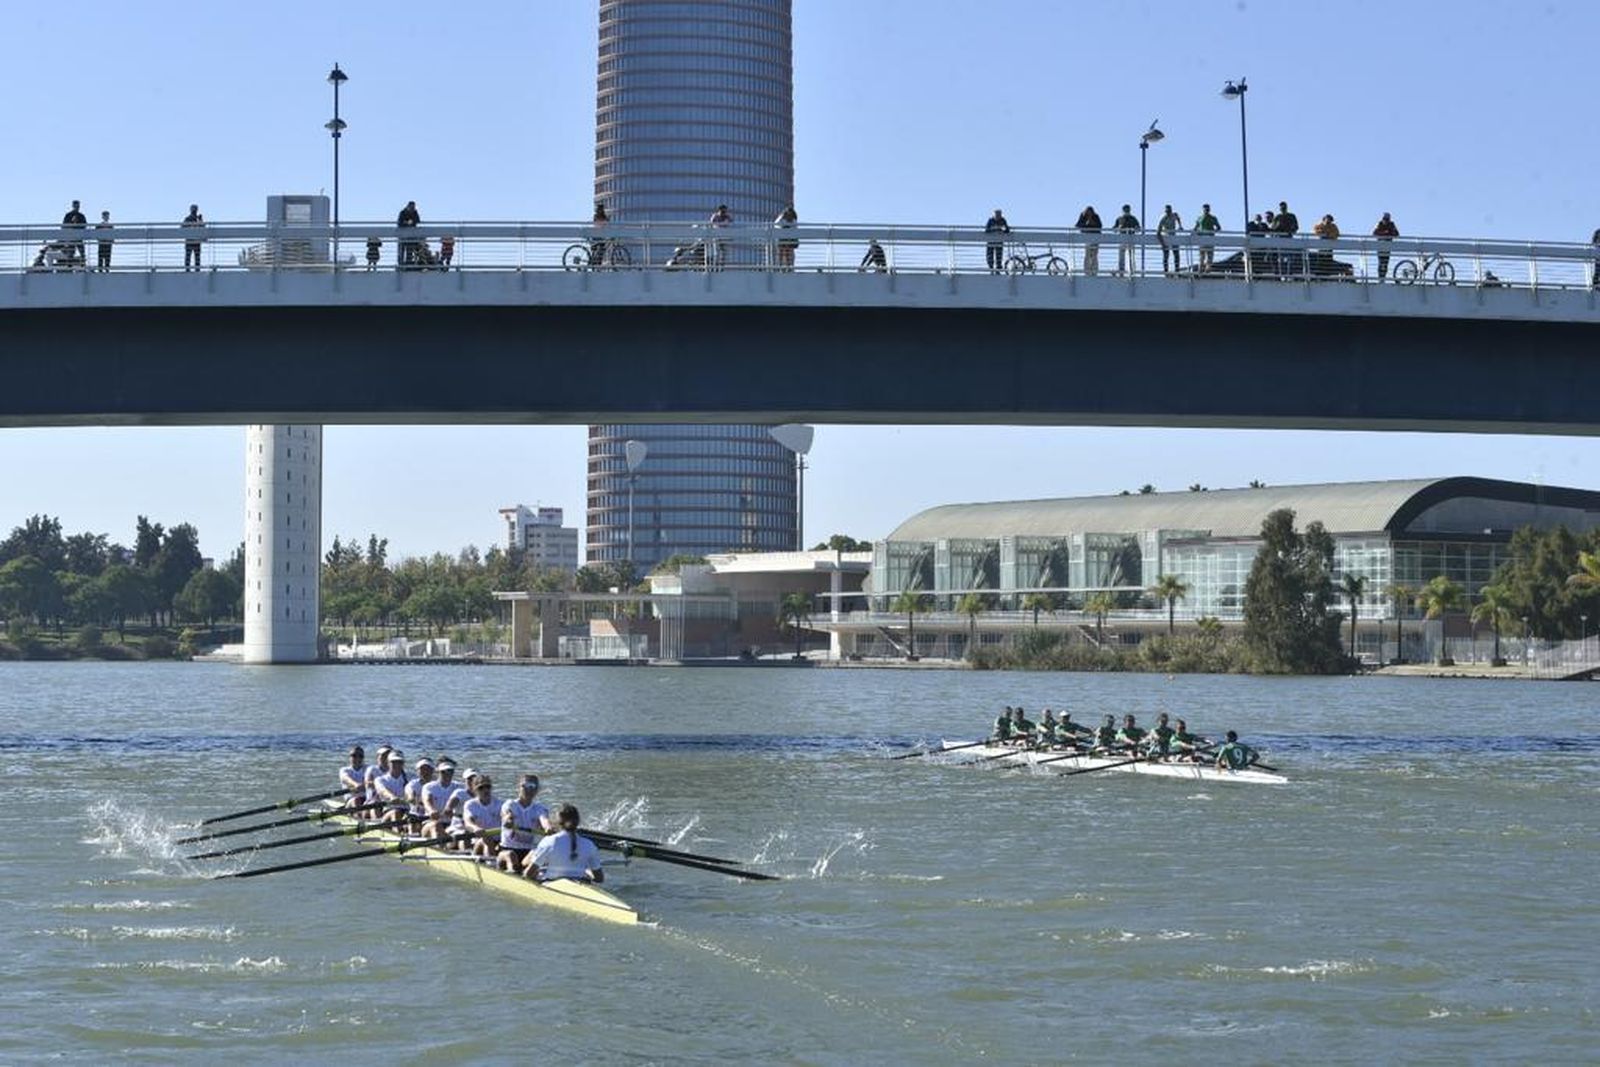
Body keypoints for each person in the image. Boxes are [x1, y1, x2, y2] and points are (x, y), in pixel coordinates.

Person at [526, 803, 605, 883]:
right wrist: (587, 872)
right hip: (579, 884)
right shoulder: (589, 844)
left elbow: (528, 874)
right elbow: (599, 879)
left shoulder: (549, 841)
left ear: (557, 822)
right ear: (577, 822)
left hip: (552, 885)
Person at [498, 774, 554, 874]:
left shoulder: (539, 808)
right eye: (525, 785)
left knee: (536, 854)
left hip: (528, 851)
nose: (529, 790)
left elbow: (544, 820)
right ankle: (513, 874)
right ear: (519, 788)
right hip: (507, 849)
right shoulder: (509, 804)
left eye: (532, 786)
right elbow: (506, 815)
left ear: (536, 790)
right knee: (511, 855)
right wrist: (508, 821)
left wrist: (548, 828)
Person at [462, 775, 500, 860]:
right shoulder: (470, 804)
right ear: (474, 790)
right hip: (478, 841)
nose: (485, 790)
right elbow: (468, 822)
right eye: (481, 788)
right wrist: (475, 828)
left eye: (488, 787)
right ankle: (491, 865)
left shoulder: (500, 804)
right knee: (486, 839)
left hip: (498, 841)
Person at [371, 750, 410, 826]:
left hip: (407, 811)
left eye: (399, 762)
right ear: (388, 763)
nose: (397, 765)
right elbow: (383, 791)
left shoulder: (410, 778)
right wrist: (392, 797)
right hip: (388, 811)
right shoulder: (380, 780)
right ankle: (398, 834)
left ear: (403, 764)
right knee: (396, 812)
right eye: (394, 762)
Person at [403, 757, 436, 830]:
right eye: (422, 769)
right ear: (417, 771)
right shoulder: (412, 784)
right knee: (413, 820)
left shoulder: (437, 784)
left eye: (427, 769)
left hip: (432, 816)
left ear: (432, 770)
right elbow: (410, 796)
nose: (425, 772)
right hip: (416, 815)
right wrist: (412, 798)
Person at [1075, 205, 1103, 275]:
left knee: (1094, 255)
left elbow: (1100, 226)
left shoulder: (1096, 217)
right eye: (1088, 212)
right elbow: (1078, 225)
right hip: (1087, 238)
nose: (1089, 214)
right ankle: (1087, 271)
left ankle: (1094, 271)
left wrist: (1093, 222)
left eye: (1090, 212)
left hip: (1095, 238)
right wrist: (1086, 224)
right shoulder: (1083, 216)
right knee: (1087, 255)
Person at [1113, 205, 1140, 276]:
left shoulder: (1133, 219)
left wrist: (1135, 228)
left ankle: (1132, 270)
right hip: (1122, 239)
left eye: (1127, 209)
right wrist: (1119, 227)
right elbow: (1114, 229)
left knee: (1131, 255)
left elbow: (1138, 229)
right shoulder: (1120, 219)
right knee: (1121, 256)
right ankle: (1121, 270)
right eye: (1125, 209)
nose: (1126, 211)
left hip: (1131, 239)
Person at [1193, 204, 1220, 271]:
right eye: (1205, 209)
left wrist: (1212, 232)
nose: (1206, 210)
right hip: (1202, 238)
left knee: (1210, 255)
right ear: (1203, 210)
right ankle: (1200, 269)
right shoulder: (1199, 218)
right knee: (1202, 256)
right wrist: (1195, 234)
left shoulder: (1213, 218)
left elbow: (1218, 227)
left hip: (1210, 238)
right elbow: (1195, 228)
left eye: (1207, 209)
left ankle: (1208, 269)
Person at [1156, 205, 1182, 274]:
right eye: (1167, 212)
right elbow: (1158, 232)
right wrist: (1162, 244)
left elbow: (1178, 218)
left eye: (1169, 211)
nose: (1168, 213)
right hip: (1166, 238)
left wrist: (1180, 226)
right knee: (1166, 256)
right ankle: (1166, 272)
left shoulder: (1174, 215)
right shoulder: (1163, 218)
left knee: (1176, 255)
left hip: (1173, 237)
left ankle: (1177, 271)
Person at [62, 200, 87, 268]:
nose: (77, 207)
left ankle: (83, 265)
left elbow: (85, 226)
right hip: (71, 237)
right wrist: (71, 223)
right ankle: (69, 267)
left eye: (78, 206)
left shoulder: (81, 216)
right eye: (76, 206)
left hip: (79, 237)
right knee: (70, 253)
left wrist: (78, 225)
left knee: (82, 252)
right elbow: (64, 226)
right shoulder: (68, 215)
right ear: (73, 206)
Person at [984, 209, 1010, 273]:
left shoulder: (1003, 220)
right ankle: (991, 268)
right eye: (997, 214)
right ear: (994, 214)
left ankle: (998, 269)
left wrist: (1002, 229)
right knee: (990, 255)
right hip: (991, 241)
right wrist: (994, 228)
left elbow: (1007, 230)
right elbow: (986, 230)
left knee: (999, 255)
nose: (998, 216)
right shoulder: (990, 220)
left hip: (999, 240)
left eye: (999, 214)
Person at [396, 200, 421, 268]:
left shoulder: (415, 213)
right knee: (401, 251)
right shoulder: (402, 212)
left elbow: (418, 221)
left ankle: (408, 265)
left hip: (411, 236)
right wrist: (406, 223)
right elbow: (399, 223)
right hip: (403, 236)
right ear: (408, 206)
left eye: (413, 207)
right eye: (411, 207)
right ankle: (401, 265)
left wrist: (412, 221)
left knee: (409, 251)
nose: (412, 209)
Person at [774, 204, 798, 270]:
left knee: (788, 252)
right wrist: (782, 216)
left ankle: (789, 266)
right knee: (781, 252)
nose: (789, 216)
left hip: (789, 238)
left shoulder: (793, 220)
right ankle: (780, 267)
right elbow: (776, 223)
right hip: (782, 238)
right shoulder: (782, 218)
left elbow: (795, 228)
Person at [708, 203, 732, 269]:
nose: (724, 212)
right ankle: (715, 267)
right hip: (716, 236)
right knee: (716, 253)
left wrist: (727, 218)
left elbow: (731, 222)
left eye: (725, 211)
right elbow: (710, 224)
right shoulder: (715, 216)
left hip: (724, 237)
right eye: (723, 211)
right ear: (719, 210)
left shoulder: (727, 217)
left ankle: (722, 267)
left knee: (724, 253)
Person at [182, 204, 204, 271]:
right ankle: (188, 269)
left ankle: (195, 269)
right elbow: (182, 229)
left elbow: (202, 229)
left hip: (195, 241)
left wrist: (201, 220)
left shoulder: (197, 219)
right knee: (189, 256)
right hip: (190, 241)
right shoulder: (187, 219)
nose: (194, 211)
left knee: (196, 256)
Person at [589, 202, 609, 267]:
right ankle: (597, 263)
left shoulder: (596, 216)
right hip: (600, 235)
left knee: (598, 249)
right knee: (601, 249)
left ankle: (595, 262)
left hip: (596, 235)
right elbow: (605, 225)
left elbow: (596, 225)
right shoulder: (603, 217)